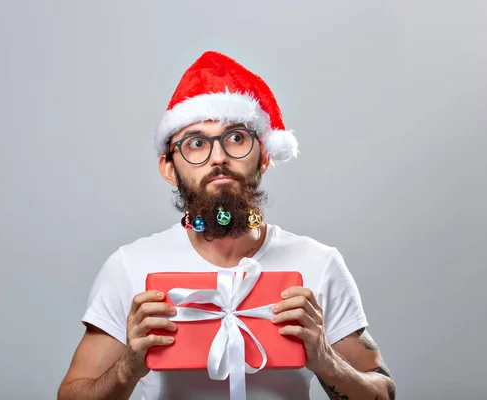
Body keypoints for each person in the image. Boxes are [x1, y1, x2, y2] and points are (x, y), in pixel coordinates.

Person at [57, 50, 396, 400]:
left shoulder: (318, 264)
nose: (218, 157)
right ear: (169, 167)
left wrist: (325, 359)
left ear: (263, 155)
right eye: (196, 143)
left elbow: (383, 393)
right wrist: (127, 366)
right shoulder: (129, 267)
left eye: (235, 138)